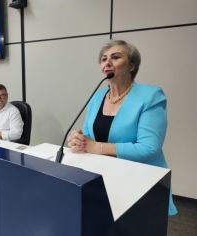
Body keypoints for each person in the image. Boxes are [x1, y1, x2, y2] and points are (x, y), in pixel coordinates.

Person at [67, 40, 178, 216]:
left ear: (132, 65)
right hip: (103, 176)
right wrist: (78, 140)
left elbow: (149, 148)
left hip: (141, 181)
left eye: (115, 57)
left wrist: (98, 147)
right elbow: (89, 136)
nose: (107, 62)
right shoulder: (98, 96)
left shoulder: (151, 96)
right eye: (103, 59)